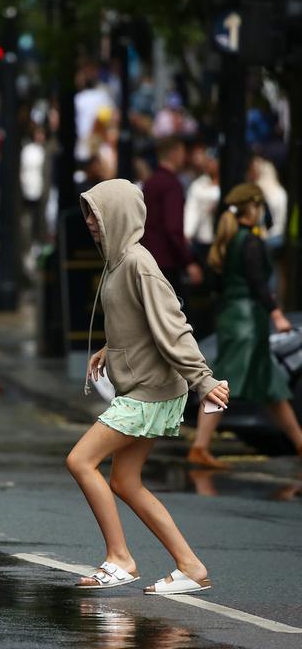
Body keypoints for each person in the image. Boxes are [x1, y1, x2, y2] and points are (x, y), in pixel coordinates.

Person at [67, 179, 230, 595]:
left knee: (81, 461)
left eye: (96, 214)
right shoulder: (117, 262)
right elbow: (137, 320)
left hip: (151, 388)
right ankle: (190, 566)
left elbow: (172, 323)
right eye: (87, 213)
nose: (90, 222)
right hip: (141, 383)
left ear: (117, 215)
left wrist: (203, 379)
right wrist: (109, 347)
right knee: (125, 481)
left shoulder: (139, 262)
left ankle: (120, 558)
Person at [188, 184, 301, 468]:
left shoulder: (228, 240)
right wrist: (276, 314)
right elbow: (258, 283)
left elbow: (215, 284)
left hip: (235, 318)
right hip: (247, 322)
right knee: (223, 384)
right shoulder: (250, 241)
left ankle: (300, 443)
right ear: (253, 207)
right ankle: (200, 446)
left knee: (272, 386)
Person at [141, 138, 202, 296]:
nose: (184, 157)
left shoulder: (150, 183)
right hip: (167, 262)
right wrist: (188, 262)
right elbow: (173, 227)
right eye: (182, 152)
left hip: (148, 259)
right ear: (174, 153)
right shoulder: (171, 184)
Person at [183, 147, 220, 264]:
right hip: (204, 238)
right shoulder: (198, 185)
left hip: (223, 237)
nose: (209, 164)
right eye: (208, 161)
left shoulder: (229, 183)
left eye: (212, 161)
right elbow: (192, 209)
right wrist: (188, 233)